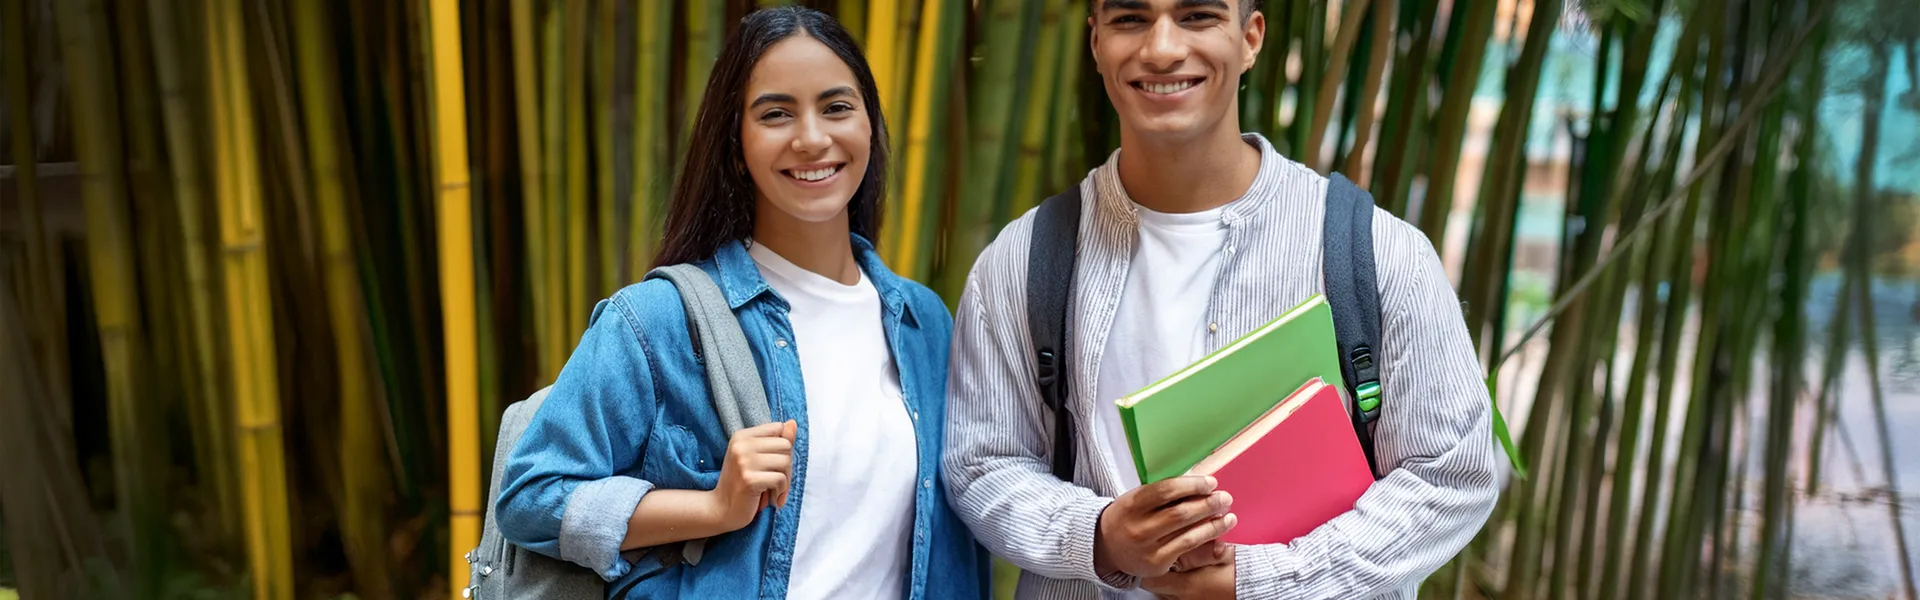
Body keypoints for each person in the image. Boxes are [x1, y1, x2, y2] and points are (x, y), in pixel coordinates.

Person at [941, 0, 1501, 597]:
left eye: (1197, 17)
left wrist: (1268, 580)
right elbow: (982, 463)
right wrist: (1099, 535)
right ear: (1096, 42)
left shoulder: (1374, 251)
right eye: (1130, 20)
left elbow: (1451, 475)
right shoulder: (1024, 260)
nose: (1161, 49)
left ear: (1250, 38)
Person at [495, 7, 988, 599]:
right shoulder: (658, 321)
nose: (812, 138)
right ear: (736, 146)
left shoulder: (922, 321)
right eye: (776, 114)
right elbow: (531, 496)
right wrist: (714, 507)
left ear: (869, 125)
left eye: (836, 107)